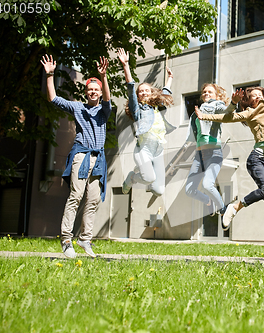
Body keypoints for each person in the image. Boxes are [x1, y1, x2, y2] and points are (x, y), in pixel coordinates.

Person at [195, 72, 264, 230]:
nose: (257, 97)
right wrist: (205, 116)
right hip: (257, 159)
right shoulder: (249, 113)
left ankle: (235, 206)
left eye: (260, 95)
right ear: (249, 102)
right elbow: (226, 118)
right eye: (253, 96)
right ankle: (234, 207)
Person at [41, 54, 112, 259]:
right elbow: (53, 98)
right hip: (81, 155)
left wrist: (104, 76)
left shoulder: (104, 110)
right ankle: (66, 239)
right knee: (76, 196)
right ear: (86, 92)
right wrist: (50, 75)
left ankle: (85, 239)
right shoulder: (78, 107)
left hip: (98, 159)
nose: (93, 92)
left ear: (99, 93)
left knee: (93, 200)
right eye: (90, 89)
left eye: (96, 89)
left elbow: (108, 98)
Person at [117, 48, 174, 197]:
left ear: (152, 92)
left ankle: (139, 170)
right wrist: (125, 65)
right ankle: (132, 177)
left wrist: (170, 78)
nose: (143, 92)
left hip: (158, 150)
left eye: (146, 90)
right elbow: (130, 87)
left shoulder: (158, 106)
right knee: (149, 178)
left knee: (159, 190)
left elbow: (166, 93)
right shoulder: (138, 109)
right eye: (140, 91)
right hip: (144, 149)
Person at [185, 83, 234, 216]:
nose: (206, 94)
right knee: (189, 189)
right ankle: (208, 201)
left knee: (207, 184)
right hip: (199, 155)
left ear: (217, 95)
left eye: (210, 92)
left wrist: (234, 103)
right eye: (204, 92)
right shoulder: (198, 111)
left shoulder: (217, 106)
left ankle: (223, 209)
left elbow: (226, 111)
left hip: (214, 152)